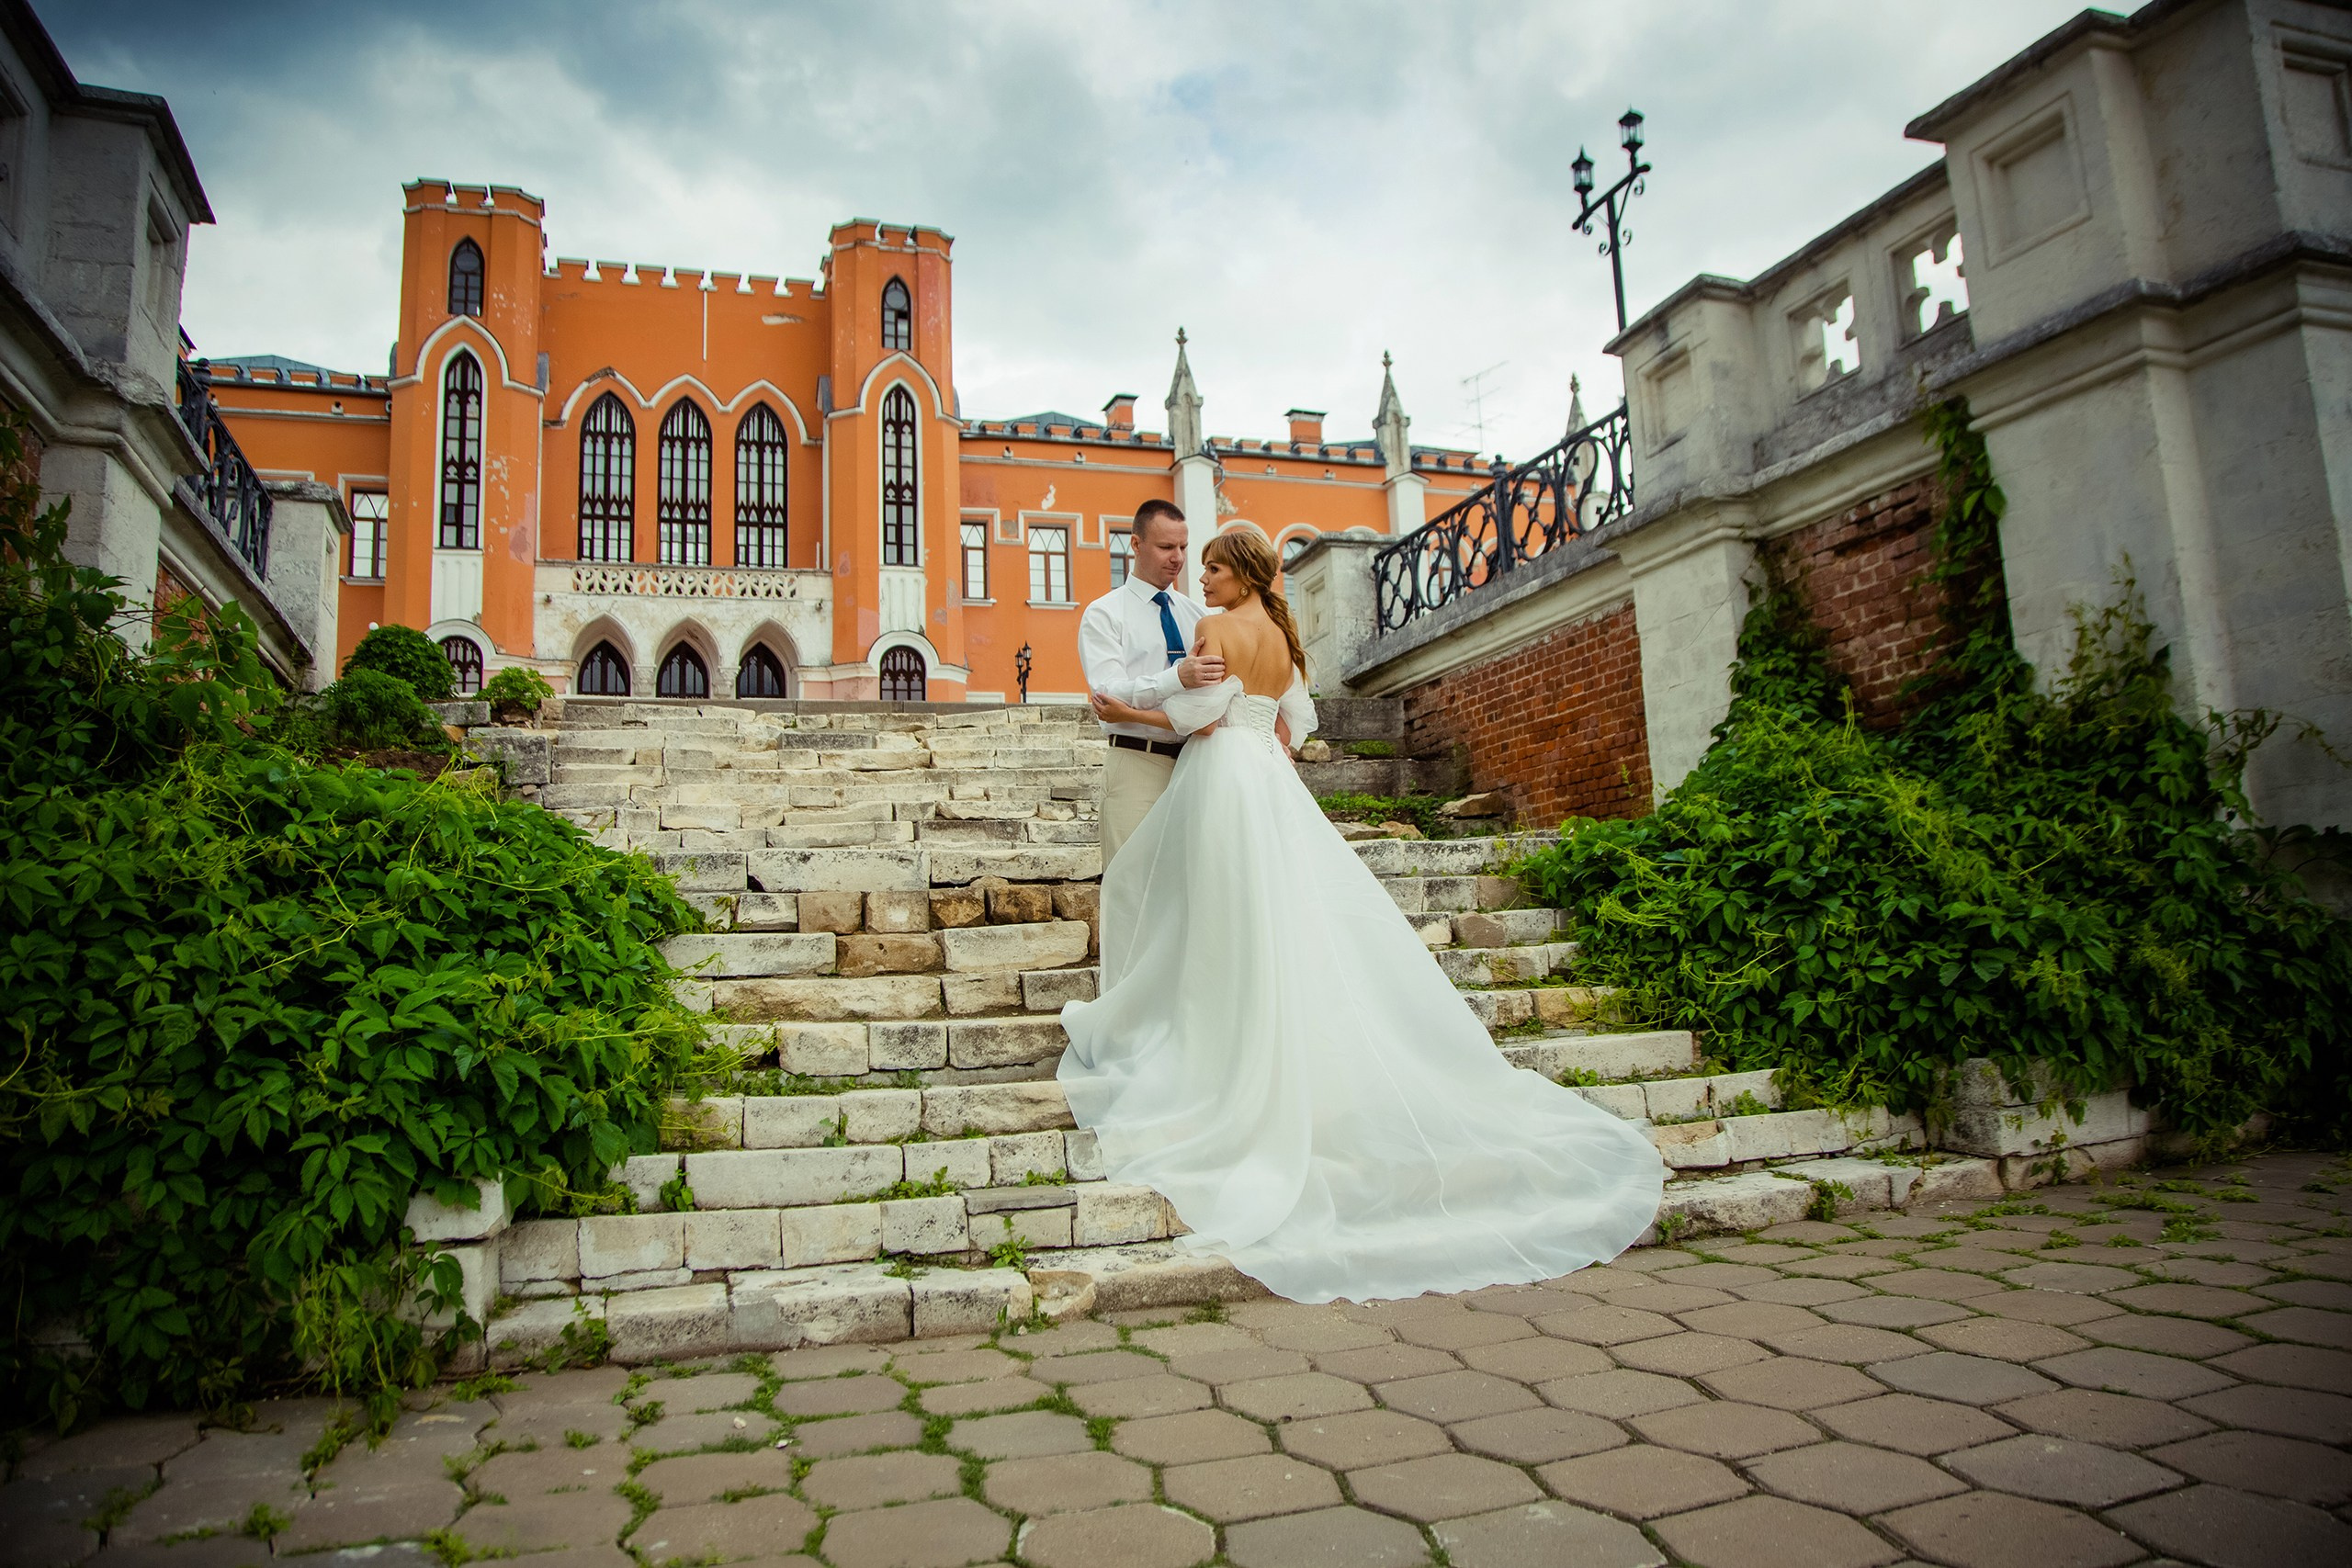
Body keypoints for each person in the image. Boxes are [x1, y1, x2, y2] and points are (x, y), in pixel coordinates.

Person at [1063, 528, 1665, 1303]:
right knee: (1272, 913)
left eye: (1212, 565)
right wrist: (1256, 731)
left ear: (1242, 573)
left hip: (1220, 778)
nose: (1201, 579)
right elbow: (1295, 718)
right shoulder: (1281, 633)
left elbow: (1197, 717)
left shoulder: (1215, 628)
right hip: (1268, 780)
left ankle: (1211, 1041)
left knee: (1211, 915)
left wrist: (1124, 702)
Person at [1076, 500, 1228, 867]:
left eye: (1182, 548)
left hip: (1197, 765)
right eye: (1165, 547)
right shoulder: (1105, 613)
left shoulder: (1199, 615)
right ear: (1136, 544)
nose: (1177, 558)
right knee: (1130, 884)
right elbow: (1107, 692)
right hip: (1136, 762)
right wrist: (1176, 678)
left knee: (1188, 889)